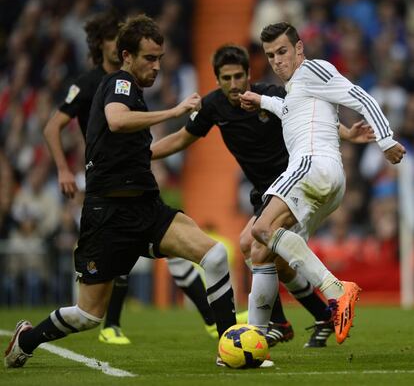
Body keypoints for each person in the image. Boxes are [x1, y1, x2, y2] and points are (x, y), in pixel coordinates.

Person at [4, 14, 237, 370]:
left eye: (159, 58)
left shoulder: (134, 93)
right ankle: (27, 339)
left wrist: (194, 129)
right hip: (108, 216)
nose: (157, 66)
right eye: (149, 58)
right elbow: (116, 118)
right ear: (127, 56)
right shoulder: (120, 83)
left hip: (145, 209)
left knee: (216, 256)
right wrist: (174, 110)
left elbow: (150, 150)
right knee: (88, 315)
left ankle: (229, 348)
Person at [151, 44, 375, 347]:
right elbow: (180, 138)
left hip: (292, 184)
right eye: (226, 78)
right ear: (216, 79)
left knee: (252, 245)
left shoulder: (270, 95)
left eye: (238, 76)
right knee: (277, 263)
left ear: (248, 75)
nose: (233, 84)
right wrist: (144, 154)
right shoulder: (213, 106)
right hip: (264, 192)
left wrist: (347, 133)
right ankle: (318, 315)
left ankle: (280, 322)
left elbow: (308, 117)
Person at [239, 22, 405, 344]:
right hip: (327, 183)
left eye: (283, 51)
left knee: (260, 229)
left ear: (299, 49)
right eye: (271, 55)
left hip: (312, 167)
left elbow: (361, 97)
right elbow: (288, 109)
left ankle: (336, 290)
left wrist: (385, 140)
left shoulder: (313, 70)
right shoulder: (296, 90)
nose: (277, 60)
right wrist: (261, 101)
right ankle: (255, 341)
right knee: (262, 252)